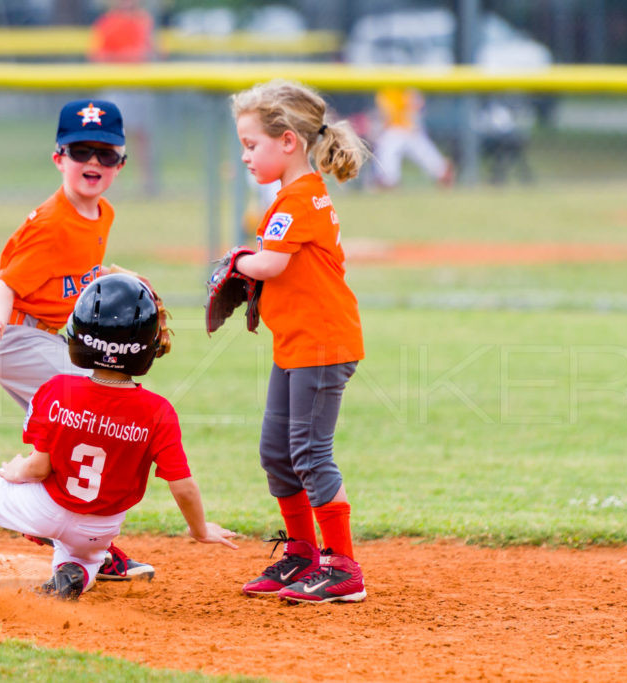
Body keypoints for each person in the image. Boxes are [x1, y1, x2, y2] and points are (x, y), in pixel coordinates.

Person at [0, 273, 238, 600]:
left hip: (47, 510)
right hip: (101, 528)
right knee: (85, 557)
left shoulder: (57, 390)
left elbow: (38, 468)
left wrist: (15, 471)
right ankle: (77, 572)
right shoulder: (159, 411)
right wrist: (200, 530)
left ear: (79, 336)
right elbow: (182, 485)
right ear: (149, 347)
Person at [0, 98, 156, 581]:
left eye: (105, 154)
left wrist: (116, 275)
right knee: (90, 399)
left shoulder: (102, 213)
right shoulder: (51, 224)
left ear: (121, 163)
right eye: (81, 151)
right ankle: (47, 499)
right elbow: (5, 284)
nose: (93, 162)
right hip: (15, 337)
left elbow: (78, 272)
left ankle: (69, 538)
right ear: (58, 158)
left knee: (77, 427)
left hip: (45, 340)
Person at [227, 79, 369, 604]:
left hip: (323, 343)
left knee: (310, 454)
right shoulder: (292, 197)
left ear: (288, 141)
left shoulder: (301, 197)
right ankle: (302, 555)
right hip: (297, 342)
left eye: (251, 144)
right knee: (277, 454)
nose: (245, 155)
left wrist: (237, 260)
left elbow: (271, 263)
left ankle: (342, 567)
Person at [90, 0, 159, 196]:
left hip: (140, 83)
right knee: (112, 135)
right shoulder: (107, 23)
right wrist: (126, 57)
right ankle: (109, 182)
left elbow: (153, 51)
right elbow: (99, 56)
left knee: (143, 134)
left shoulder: (144, 21)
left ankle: (146, 183)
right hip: (117, 84)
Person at [372, 86, 454, 189]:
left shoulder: (409, 86)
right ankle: (387, 180)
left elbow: (420, 107)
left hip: (411, 130)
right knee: (388, 150)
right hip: (393, 130)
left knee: (424, 151)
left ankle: (442, 172)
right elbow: (384, 114)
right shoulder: (387, 90)